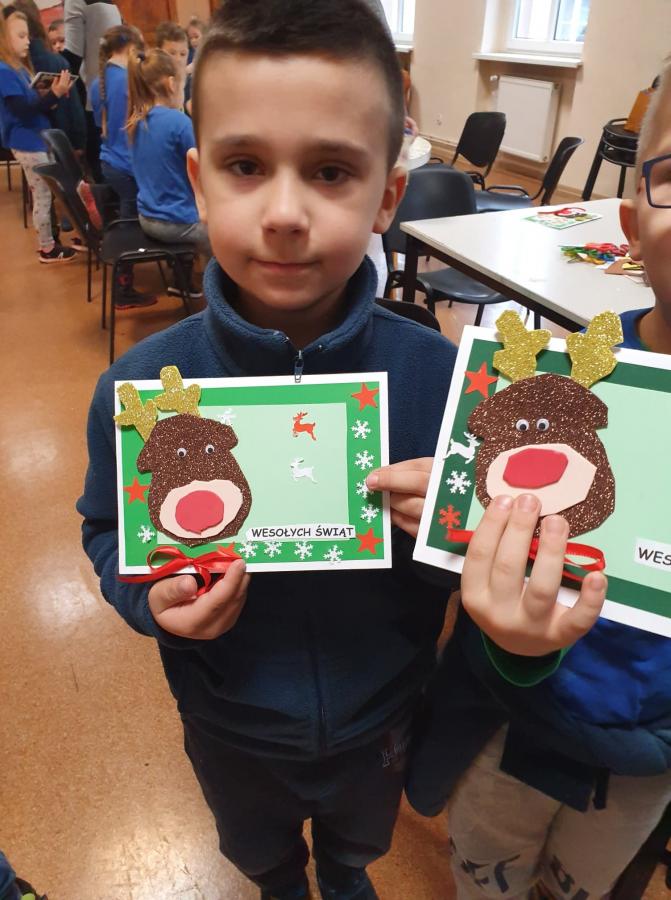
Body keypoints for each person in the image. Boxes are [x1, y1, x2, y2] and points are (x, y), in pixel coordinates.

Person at [77, 3, 603, 899]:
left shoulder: (448, 384)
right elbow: (105, 533)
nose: (285, 213)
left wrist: (458, 530)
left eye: (330, 171)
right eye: (245, 166)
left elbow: (496, 572)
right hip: (226, 719)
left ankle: (347, 875)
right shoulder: (141, 391)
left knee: (357, 849)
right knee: (261, 853)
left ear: (386, 197)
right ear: (198, 182)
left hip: (380, 718)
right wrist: (147, 599)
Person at [405, 61, 671, 900]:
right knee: (488, 870)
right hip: (510, 721)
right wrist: (449, 520)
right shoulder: (562, 380)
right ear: (631, 225)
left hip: (647, 758)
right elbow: (479, 577)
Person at [126, 47, 205, 299]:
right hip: (176, 223)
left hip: (147, 217)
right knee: (229, 235)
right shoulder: (179, 123)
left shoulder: (137, 121)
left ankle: (182, 281)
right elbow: (205, 168)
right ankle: (230, 298)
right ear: (172, 84)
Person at [88, 24, 156, 309]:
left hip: (109, 161)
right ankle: (123, 287)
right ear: (131, 49)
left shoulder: (98, 82)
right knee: (130, 226)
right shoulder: (128, 80)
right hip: (127, 166)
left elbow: (99, 125)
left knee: (127, 218)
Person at [0, 11, 76, 262]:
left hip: (36, 137)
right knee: (42, 195)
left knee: (47, 193)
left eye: (28, 36)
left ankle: (50, 241)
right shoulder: (4, 70)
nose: (28, 41)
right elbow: (22, 109)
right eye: (21, 36)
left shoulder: (18, 68)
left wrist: (50, 95)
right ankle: (47, 247)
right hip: (27, 141)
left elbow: (33, 102)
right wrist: (54, 94)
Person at [62, 0, 121, 180]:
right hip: (118, 84)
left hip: (94, 92)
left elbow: (73, 56)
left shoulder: (76, 2)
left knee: (99, 163)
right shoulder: (110, 5)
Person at [155, 20, 191, 113]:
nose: (178, 60)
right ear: (158, 53)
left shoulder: (194, 85)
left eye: (183, 54)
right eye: (172, 53)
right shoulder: (153, 86)